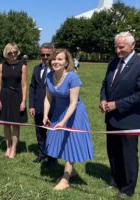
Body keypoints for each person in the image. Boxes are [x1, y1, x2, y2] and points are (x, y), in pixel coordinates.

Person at [99, 32, 140, 199]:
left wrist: (117, 104)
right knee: (113, 151)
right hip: (111, 117)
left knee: (128, 155)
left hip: (130, 119)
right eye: (116, 46)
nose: (117, 50)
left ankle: (128, 188)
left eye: (121, 47)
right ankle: (115, 179)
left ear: (132, 45)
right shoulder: (113, 63)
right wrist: (103, 99)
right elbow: (105, 84)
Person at [43, 49, 93, 190]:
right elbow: (48, 97)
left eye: (60, 59)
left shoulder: (72, 78)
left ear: (66, 62)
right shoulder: (49, 76)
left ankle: (65, 180)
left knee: (69, 143)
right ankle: (72, 171)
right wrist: (46, 115)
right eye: (54, 59)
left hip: (74, 114)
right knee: (57, 142)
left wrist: (64, 121)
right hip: (58, 112)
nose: (56, 62)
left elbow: (73, 103)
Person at [0, 42, 28, 159]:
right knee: (6, 124)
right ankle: (8, 146)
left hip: (17, 96)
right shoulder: (1, 66)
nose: (13, 54)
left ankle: (14, 148)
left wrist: (23, 101)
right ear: (6, 53)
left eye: (15, 52)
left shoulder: (22, 66)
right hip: (4, 96)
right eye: (10, 52)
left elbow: (24, 85)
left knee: (15, 124)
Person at [29, 42, 56, 164]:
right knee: (39, 132)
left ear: (52, 54)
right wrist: (31, 106)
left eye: (47, 55)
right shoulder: (36, 69)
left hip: (53, 108)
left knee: (52, 133)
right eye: (42, 55)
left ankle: (51, 157)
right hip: (38, 106)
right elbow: (32, 88)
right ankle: (41, 154)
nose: (45, 57)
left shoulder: (57, 70)